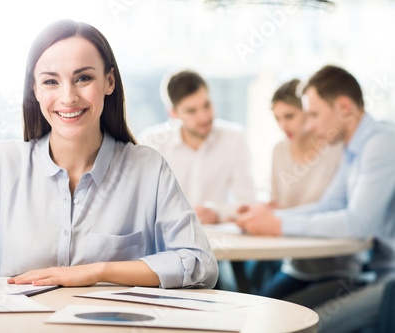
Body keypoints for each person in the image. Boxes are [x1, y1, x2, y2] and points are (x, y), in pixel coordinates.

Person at [0, 19, 218, 289]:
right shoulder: (1, 164)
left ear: (109, 81)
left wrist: (97, 272)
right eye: (50, 81)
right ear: (35, 89)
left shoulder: (148, 169)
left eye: (83, 78)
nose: (68, 97)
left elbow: (200, 263)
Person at [237, 65, 395, 305]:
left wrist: (279, 224)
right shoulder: (352, 148)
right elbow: (329, 204)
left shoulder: (381, 143)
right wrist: (270, 217)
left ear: (343, 107)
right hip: (374, 275)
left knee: (306, 323)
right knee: (266, 307)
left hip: (386, 282)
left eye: (313, 114)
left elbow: (358, 223)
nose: (309, 125)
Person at [258, 79, 362, 300]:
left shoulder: (337, 149)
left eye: (289, 116)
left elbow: (337, 209)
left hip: (338, 267)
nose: (283, 125)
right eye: (277, 118)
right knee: (263, 302)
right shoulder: (278, 150)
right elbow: (278, 205)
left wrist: (278, 220)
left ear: (308, 112)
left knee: (294, 310)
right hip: (297, 265)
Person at [140, 70, 256, 225]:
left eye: (207, 105)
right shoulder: (152, 142)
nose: (204, 117)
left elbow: (247, 203)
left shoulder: (235, 139)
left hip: (216, 237)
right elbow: (141, 204)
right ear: (173, 113)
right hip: (167, 237)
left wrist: (218, 214)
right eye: (191, 111)